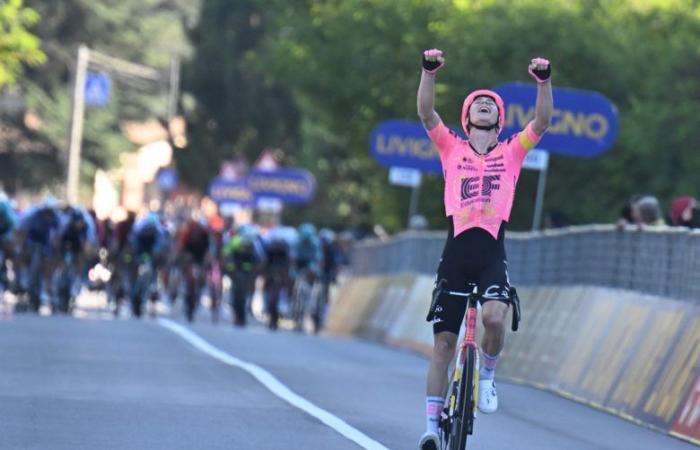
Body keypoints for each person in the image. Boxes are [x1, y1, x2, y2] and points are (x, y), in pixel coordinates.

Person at [416, 48, 553, 449]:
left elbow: (542, 121)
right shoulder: (450, 147)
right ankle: (429, 427)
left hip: (492, 253)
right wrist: (429, 73)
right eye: (476, 103)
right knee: (444, 344)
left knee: (495, 319)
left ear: (498, 119)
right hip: (455, 256)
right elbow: (426, 113)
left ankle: (488, 376)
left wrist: (544, 81)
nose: (483, 105)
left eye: (490, 104)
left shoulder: (512, 151)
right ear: (466, 117)